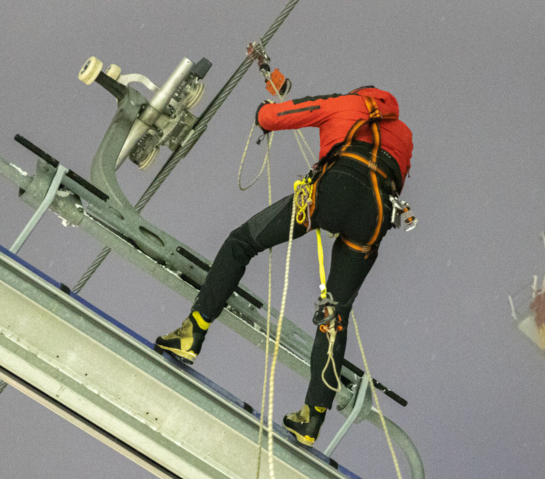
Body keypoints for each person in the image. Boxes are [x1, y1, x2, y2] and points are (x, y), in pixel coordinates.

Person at [155, 86, 413, 447]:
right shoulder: (403, 133)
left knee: (241, 243)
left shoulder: (344, 103)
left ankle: (192, 333)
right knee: (335, 316)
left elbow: (274, 117)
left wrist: (265, 110)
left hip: (337, 186)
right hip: (377, 212)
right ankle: (312, 417)